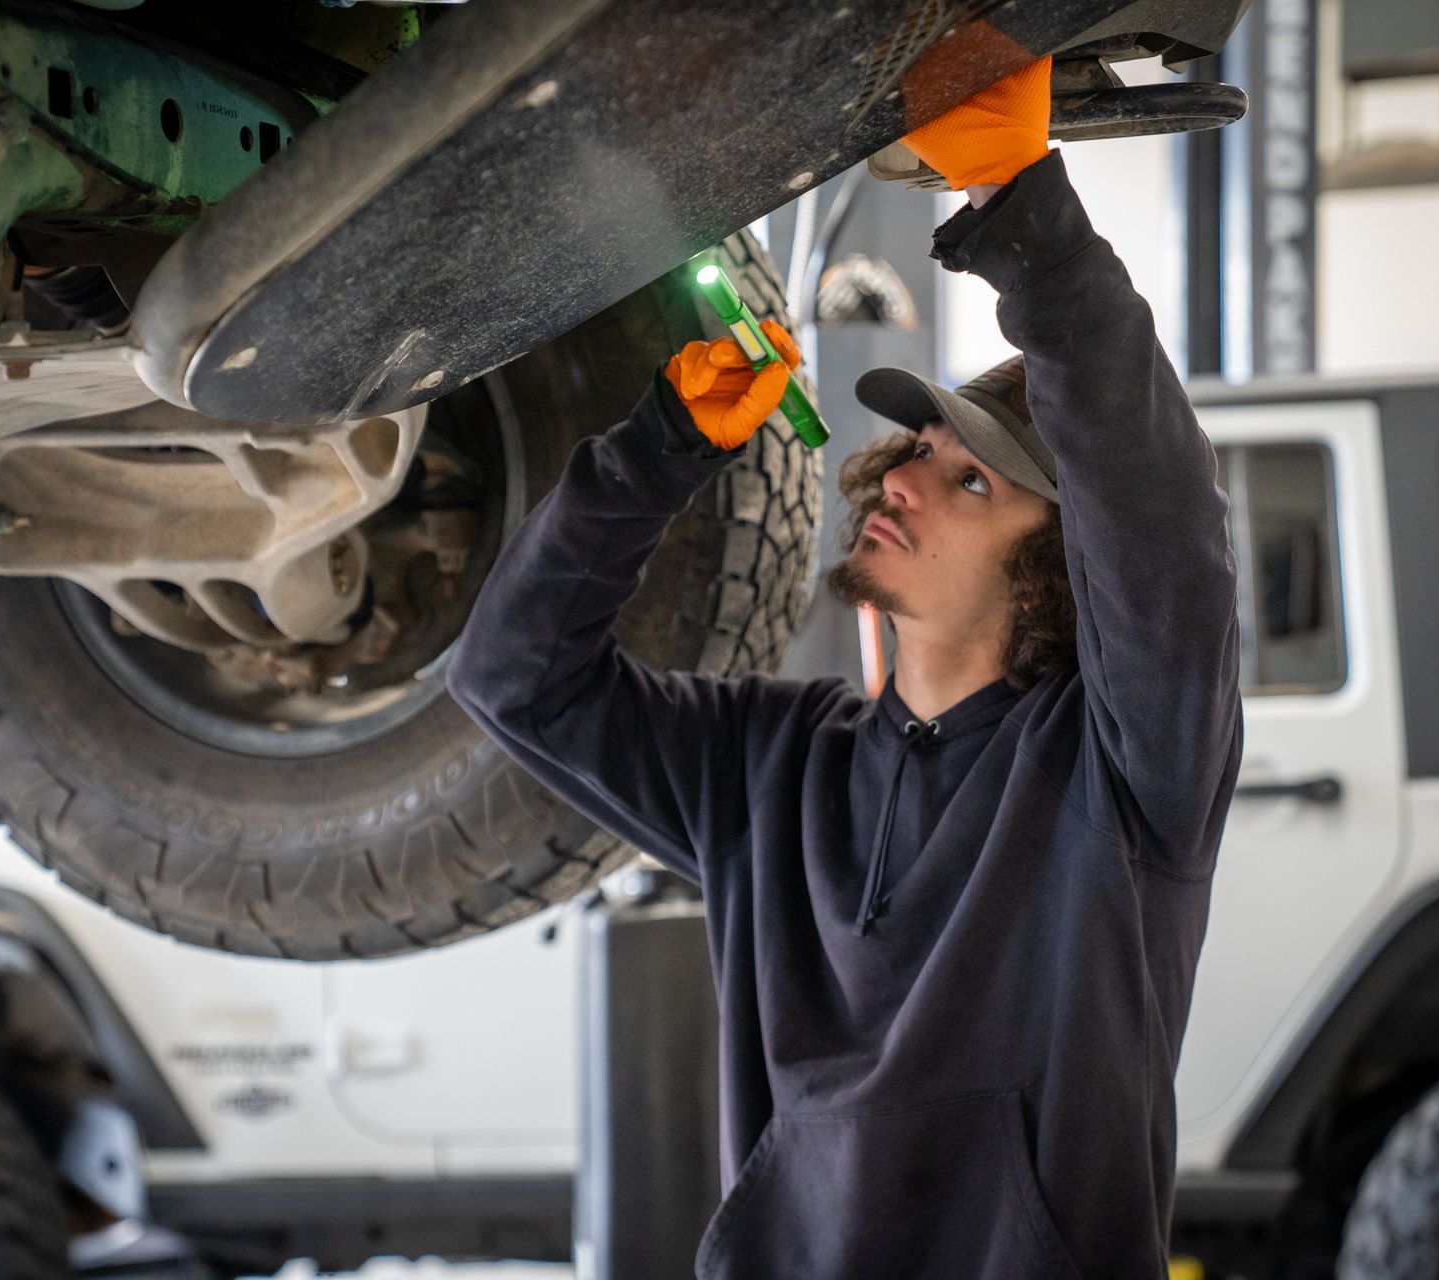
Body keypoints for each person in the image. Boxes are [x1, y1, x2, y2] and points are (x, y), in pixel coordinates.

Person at [446, 54, 1242, 1280]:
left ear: (1063, 565)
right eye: (919, 445)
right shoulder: (770, 766)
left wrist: (1030, 213)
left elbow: (1164, 526)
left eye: (971, 478)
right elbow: (514, 676)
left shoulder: (1121, 777)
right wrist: (655, 452)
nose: (905, 474)